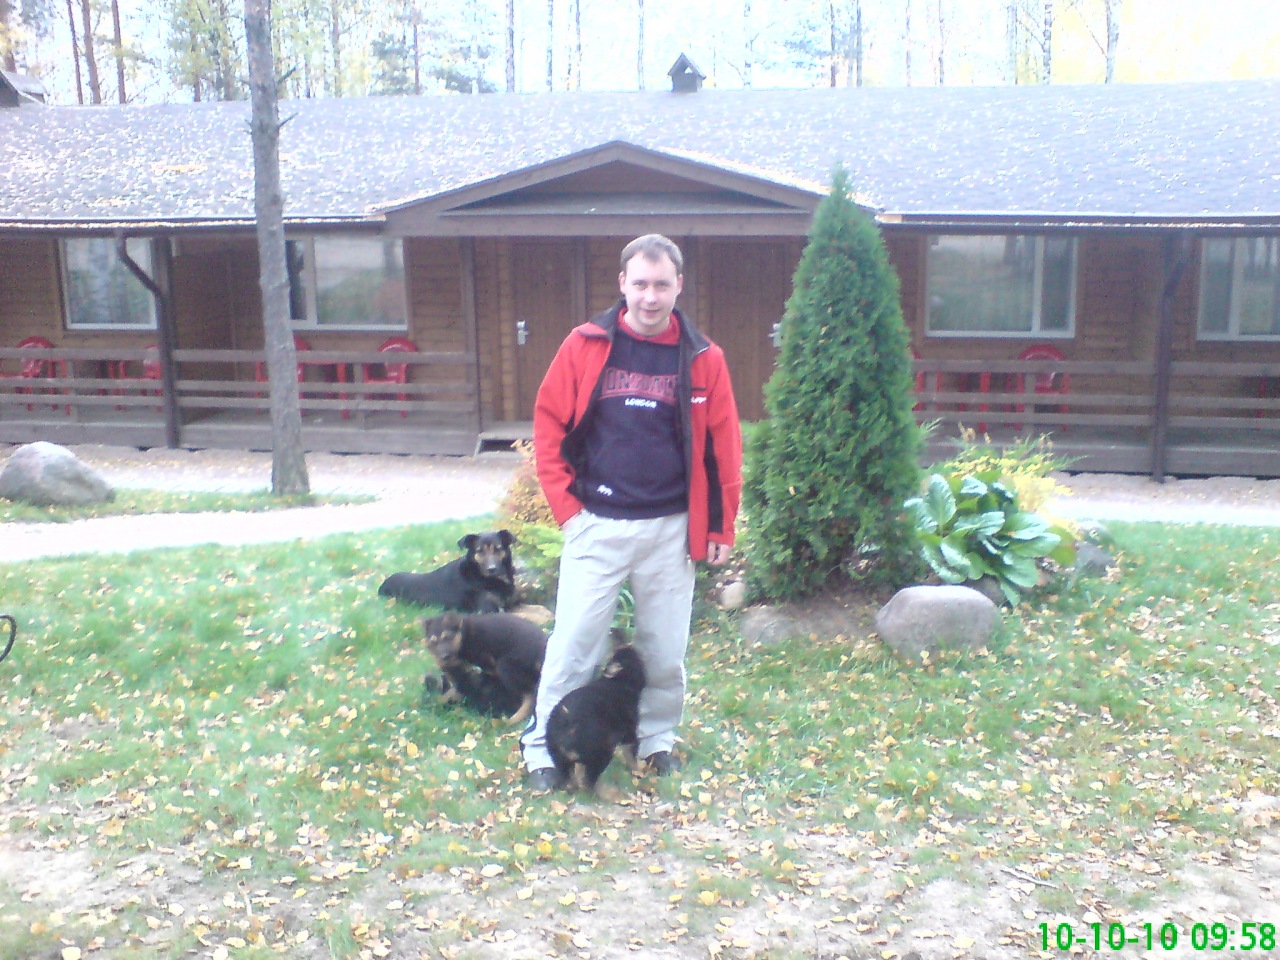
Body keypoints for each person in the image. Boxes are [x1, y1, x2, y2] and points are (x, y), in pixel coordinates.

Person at [521, 233, 743, 791]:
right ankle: (542, 746)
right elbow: (548, 425)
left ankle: (655, 739)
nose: (650, 296)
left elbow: (723, 447)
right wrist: (568, 510)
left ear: (678, 286)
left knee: (663, 653)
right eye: (640, 283)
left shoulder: (703, 358)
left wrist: (720, 525)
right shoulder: (585, 345)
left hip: (671, 529)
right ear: (622, 283)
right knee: (575, 645)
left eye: (661, 285)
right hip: (597, 524)